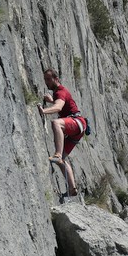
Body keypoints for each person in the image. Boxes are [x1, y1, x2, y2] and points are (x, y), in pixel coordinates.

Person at [38, 68, 87, 197]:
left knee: (56, 123)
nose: (46, 82)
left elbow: (59, 107)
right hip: (78, 128)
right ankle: (72, 188)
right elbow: (61, 104)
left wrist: (44, 111)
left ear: (56, 79)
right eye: (45, 79)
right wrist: (52, 101)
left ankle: (57, 154)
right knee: (62, 161)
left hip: (77, 122)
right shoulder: (58, 93)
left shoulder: (60, 91)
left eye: (48, 79)